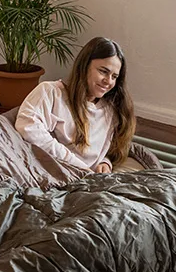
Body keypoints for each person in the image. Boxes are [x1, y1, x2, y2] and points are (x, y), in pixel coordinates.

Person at [15, 37, 136, 173]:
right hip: (61, 173)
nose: (108, 81)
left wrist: (105, 161)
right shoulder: (51, 92)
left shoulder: (111, 108)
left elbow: (114, 147)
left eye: (114, 77)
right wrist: (77, 165)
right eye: (103, 71)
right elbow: (28, 127)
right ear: (84, 66)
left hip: (91, 178)